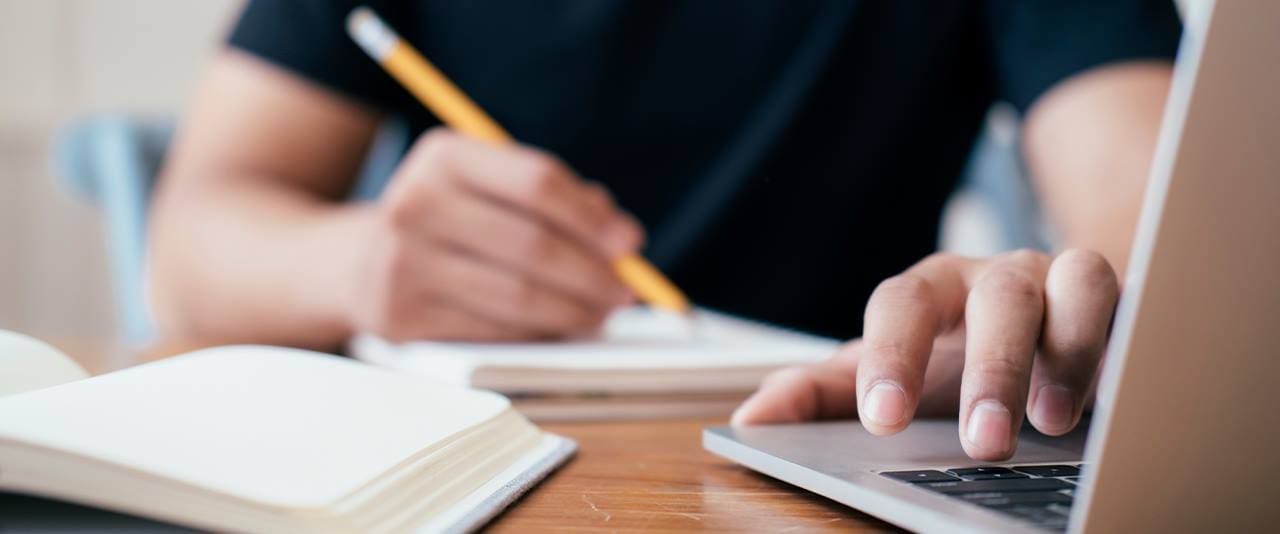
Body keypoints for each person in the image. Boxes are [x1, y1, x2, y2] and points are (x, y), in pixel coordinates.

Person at [149, 1, 1181, 461]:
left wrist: (1047, 321)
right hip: (458, 457)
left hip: (832, 452)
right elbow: (191, 240)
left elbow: (1163, 240)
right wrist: (357, 260)